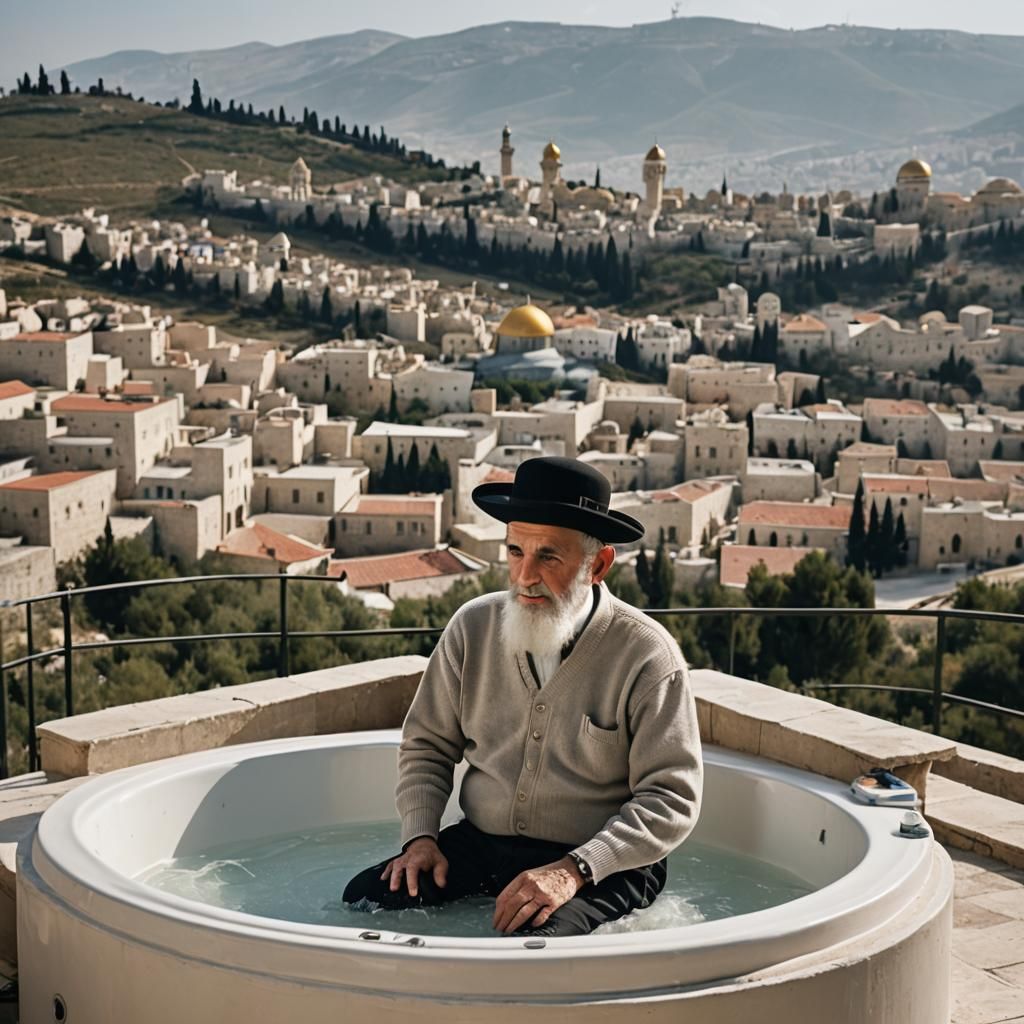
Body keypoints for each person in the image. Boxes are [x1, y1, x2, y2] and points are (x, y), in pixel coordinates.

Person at [343, 456, 703, 936]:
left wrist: (574, 869)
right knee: (365, 899)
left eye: (548, 557)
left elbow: (671, 799)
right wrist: (420, 838)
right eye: (516, 551)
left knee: (536, 947)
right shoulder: (471, 627)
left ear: (597, 565)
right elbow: (426, 746)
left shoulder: (647, 654)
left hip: (603, 864)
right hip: (483, 844)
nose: (524, 575)